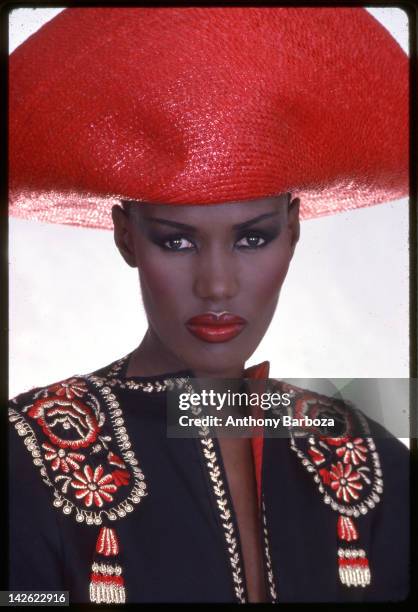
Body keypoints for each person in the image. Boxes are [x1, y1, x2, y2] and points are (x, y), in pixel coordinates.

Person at [8, 7, 409, 604]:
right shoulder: (28, 450)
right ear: (126, 238)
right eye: (176, 240)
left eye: (253, 237)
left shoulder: (366, 453)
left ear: (293, 232)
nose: (217, 285)